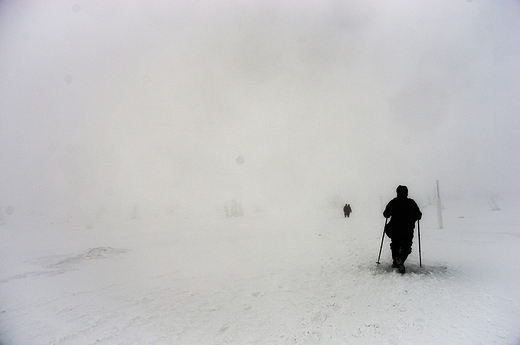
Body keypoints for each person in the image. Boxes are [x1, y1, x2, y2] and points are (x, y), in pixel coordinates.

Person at [383, 185, 422, 274]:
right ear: (407, 193)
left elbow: (386, 214)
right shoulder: (411, 203)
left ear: (397, 192)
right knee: (406, 246)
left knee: (395, 244)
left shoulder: (393, 202)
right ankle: (400, 259)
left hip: (394, 228)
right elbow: (419, 215)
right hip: (408, 229)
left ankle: (397, 260)